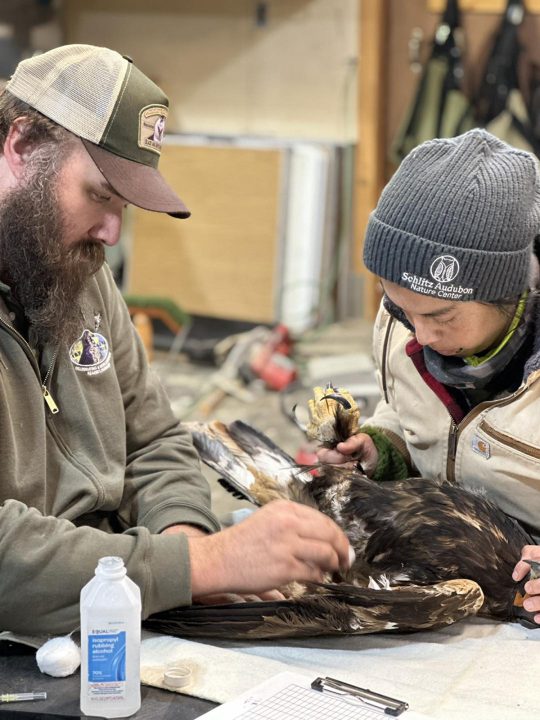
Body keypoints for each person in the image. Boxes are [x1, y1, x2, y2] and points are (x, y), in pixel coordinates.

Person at [0, 44, 352, 636]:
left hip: (113, 604)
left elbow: (155, 439)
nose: (112, 232)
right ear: (22, 144)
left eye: (125, 206)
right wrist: (200, 564)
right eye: (98, 194)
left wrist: (183, 538)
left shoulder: (76, 271)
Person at [319, 129, 540, 626]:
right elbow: (408, 408)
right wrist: (384, 447)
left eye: (441, 317)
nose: (417, 334)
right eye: (398, 304)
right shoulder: (408, 322)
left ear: (509, 294)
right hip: (452, 584)